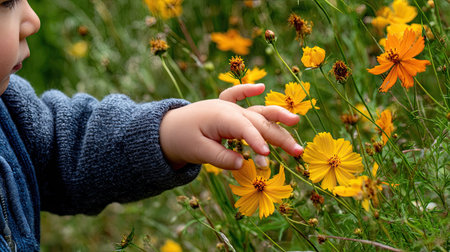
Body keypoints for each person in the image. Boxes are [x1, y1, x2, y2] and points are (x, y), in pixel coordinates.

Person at [0, 0, 303, 250]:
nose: (33, 20)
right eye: (6, 4)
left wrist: (169, 132)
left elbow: (62, 150)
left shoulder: (8, 109)